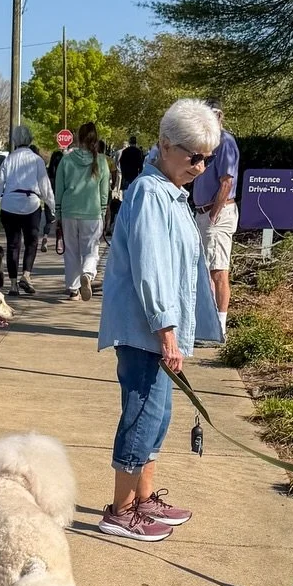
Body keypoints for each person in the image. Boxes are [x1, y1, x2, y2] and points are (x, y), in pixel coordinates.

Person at [96, 98, 223, 542]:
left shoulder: (170, 191)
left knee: (157, 414)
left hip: (157, 329)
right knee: (141, 414)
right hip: (145, 328)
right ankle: (120, 509)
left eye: (208, 157)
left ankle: (143, 499)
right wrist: (167, 332)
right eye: (194, 156)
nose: (201, 166)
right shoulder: (151, 193)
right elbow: (151, 270)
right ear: (166, 146)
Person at [0, 124, 55, 295]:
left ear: (15, 141)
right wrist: (53, 209)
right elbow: (45, 187)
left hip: (9, 204)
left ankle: (13, 284)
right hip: (31, 204)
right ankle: (26, 274)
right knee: (31, 242)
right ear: (30, 139)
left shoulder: (9, 160)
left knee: (13, 244)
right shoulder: (37, 160)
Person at [192, 100, 239, 335]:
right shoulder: (205, 143)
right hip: (203, 212)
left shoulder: (225, 142)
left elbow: (227, 181)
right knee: (206, 269)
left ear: (220, 116)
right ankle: (207, 324)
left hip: (216, 213)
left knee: (218, 270)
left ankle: (218, 326)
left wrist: (213, 215)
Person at [53, 121, 110, 301]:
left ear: (78, 138)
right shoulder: (101, 160)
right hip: (92, 212)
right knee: (91, 249)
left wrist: (58, 212)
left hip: (69, 210)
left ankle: (73, 289)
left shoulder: (66, 159)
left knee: (71, 251)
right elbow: (104, 191)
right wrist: (103, 211)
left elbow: (59, 188)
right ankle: (87, 273)